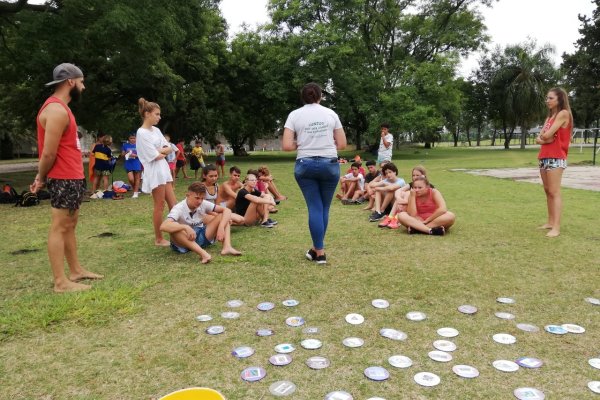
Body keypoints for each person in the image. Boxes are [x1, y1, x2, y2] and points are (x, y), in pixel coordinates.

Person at [30, 62, 103, 292]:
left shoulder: (63, 108)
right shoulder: (56, 110)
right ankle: (60, 282)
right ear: (70, 82)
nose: (84, 87)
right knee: (59, 227)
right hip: (62, 177)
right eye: (81, 82)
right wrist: (40, 178)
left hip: (71, 176)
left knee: (70, 225)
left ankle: (75, 271)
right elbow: (48, 152)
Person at [282, 82, 347, 264]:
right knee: (324, 208)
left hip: (305, 164)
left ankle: (318, 250)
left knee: (315, 207)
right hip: (329, 163)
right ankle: (319, 250)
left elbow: (287, 146)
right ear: (320, 96)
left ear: (303, 97)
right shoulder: (330, 114)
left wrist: (301, 142)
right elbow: (342, 144)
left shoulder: (294, 115)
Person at [160, 182, 241, 264]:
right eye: (197, 198)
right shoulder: (178, 208)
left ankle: (227, 247)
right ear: (187, 196)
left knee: (223, 217)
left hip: (201, 236)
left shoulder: (203, 203)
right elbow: (163, 226)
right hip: (183, 243)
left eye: (202, 198)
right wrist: (185, 227)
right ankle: (204, 254)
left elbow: (227, 210)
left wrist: (221, 227)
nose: (200, 201)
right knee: (174, 229)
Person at [136, 98, 177, 246]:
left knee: (173, 203)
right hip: (154, 171)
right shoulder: (141, 133)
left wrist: (160, 150)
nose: (159, 117)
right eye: (157, 114)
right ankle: (159, 238)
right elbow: (155, 155)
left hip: (163, 169)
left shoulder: (157, 130)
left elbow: (169, 148)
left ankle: (177, 233)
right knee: (159, 205)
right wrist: (160, 151)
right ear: (147, 114)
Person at [535, 88, 572, 238]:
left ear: (560, 99)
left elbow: (546, 135)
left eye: (550, 98)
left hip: (556, 157)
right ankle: (550, 222)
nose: (547, 101)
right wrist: (546, 138)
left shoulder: (563, 114)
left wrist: (546, 138)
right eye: (547, 98)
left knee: (554, 191)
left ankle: (556, 227)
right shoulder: (549, 117)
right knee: (547, 190)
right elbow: (541, 137)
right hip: (544, 156)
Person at [121, 133, 142, 198]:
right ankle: (136, 188)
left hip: (137, 162)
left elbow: (143, 155)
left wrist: (135, 155)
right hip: (128, 163)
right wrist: (126, 153)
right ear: (128, 139)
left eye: (134, 138)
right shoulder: (125, 145)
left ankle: (135, 193)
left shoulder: (139, 145)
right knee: (131, 179)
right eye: (131, 138)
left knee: (137, 178)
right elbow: (122, 155)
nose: (132, 139)